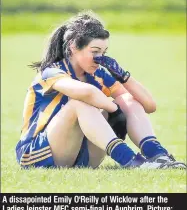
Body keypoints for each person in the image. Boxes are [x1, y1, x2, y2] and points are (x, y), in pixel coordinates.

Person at [15, 11, 186, 170]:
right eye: (95, 51)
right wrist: (115, 111)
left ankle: (158, 156)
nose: (100, 58)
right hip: (37, 154)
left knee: (127, 99)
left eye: (104, 52)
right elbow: (87, 94)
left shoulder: (98, 75)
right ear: (74, 47)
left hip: (78, 155)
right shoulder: (51, 72)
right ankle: (133, 162)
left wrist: (124, 77)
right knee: (80, 104)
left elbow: (149, 106)